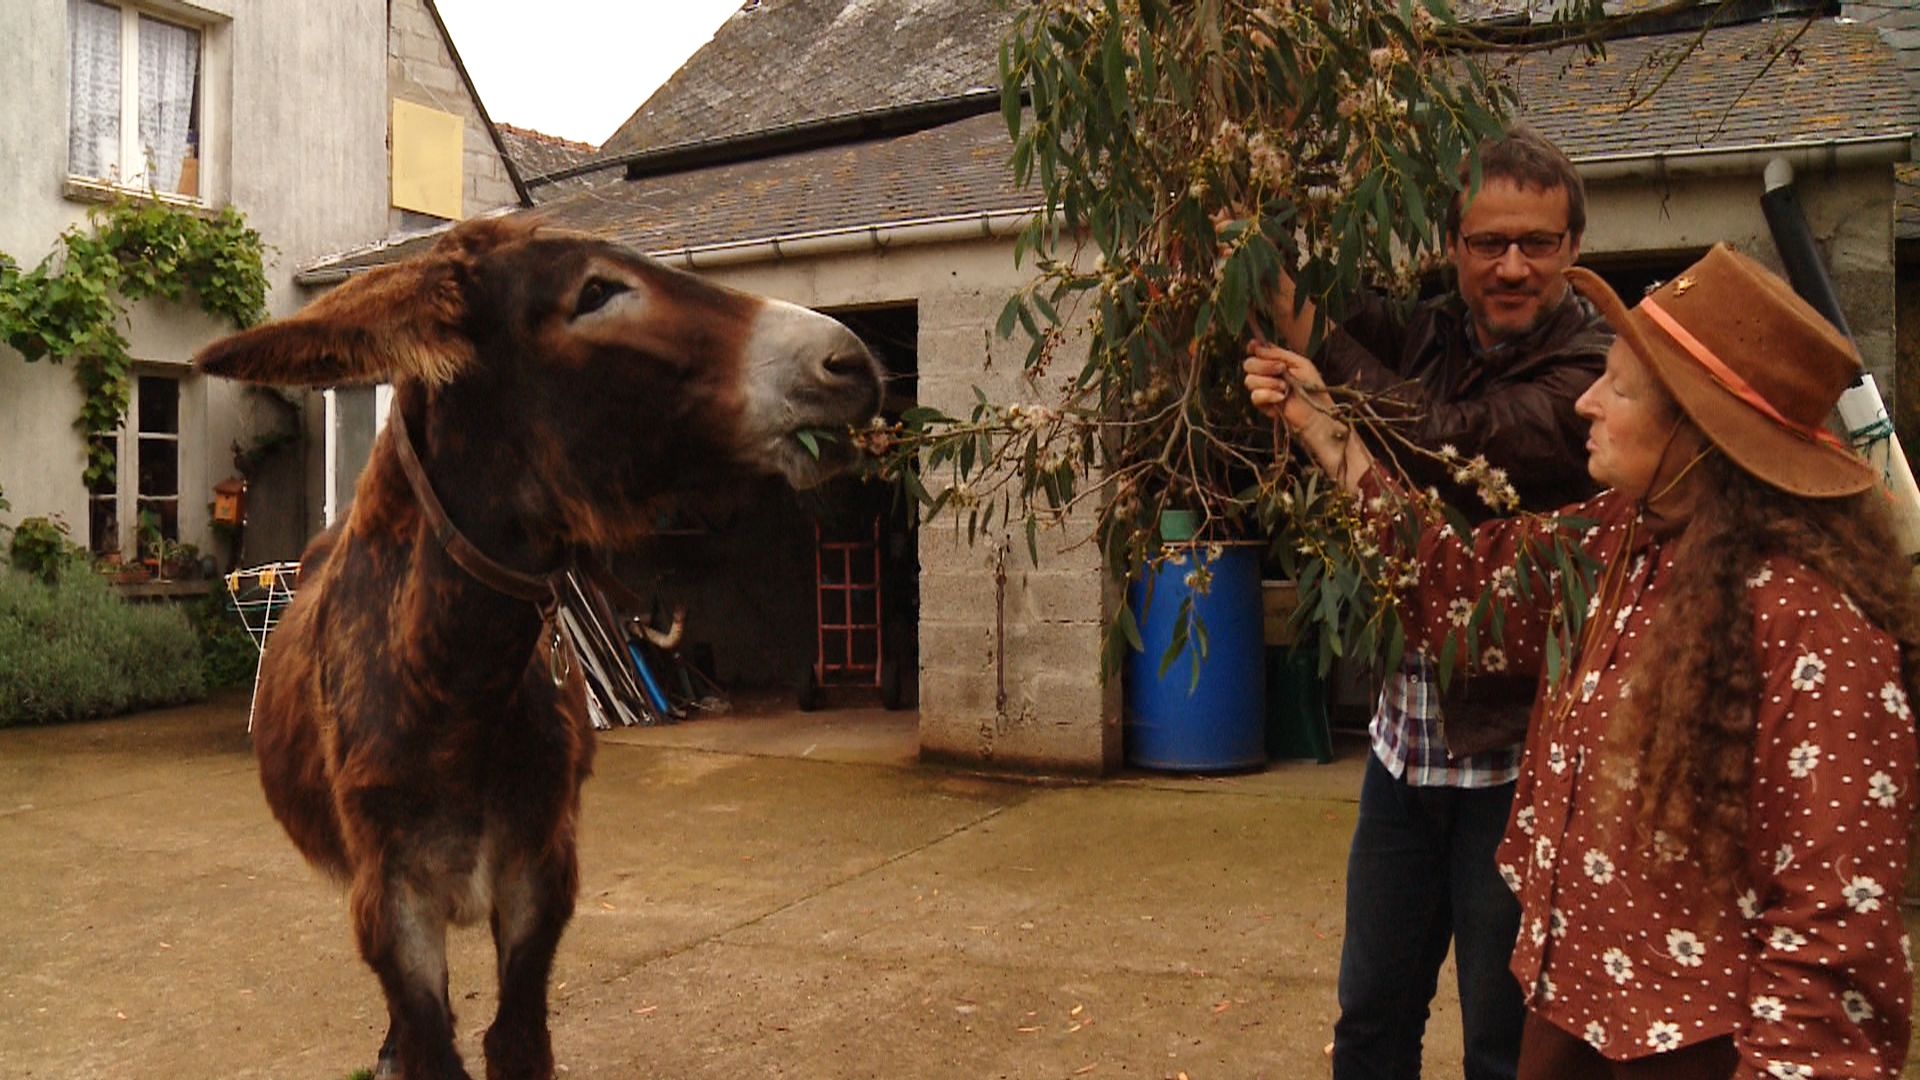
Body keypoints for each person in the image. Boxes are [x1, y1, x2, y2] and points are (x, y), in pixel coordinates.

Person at [1246, 243, 1918, 1079]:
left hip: (1694, 1048)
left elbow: (1834, 934)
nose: (1587, 403)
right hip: (1575, 1016)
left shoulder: (1814, 624)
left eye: (1620, 388)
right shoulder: (1620, 536)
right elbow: (1461, 586)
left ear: (1705, 432)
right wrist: (1322, 425)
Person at [1256, 126, 1609, 1079]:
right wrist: (1248, 240)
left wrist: (1316, 368)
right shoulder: (1433, 330)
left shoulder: (1593, 372)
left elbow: (1453, 445)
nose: (1510, 265)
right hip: (1403, 749)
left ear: (1572, 245)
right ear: (1453, 247)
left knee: (1504, 1044)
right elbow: (1340, 318)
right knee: (1371, 1021)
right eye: (1487, 241)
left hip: (1517, 764)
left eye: (1535, 242)